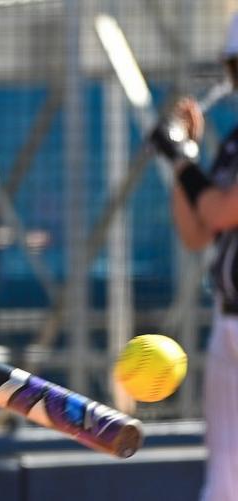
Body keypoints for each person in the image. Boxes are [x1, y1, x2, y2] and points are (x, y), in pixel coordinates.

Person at [151, 12, 238, 501]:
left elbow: (224, 210)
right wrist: (182, 152)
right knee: (225, 483)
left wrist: (183, 161)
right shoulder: (233, 146)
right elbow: (196, 233)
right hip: (228, 326)